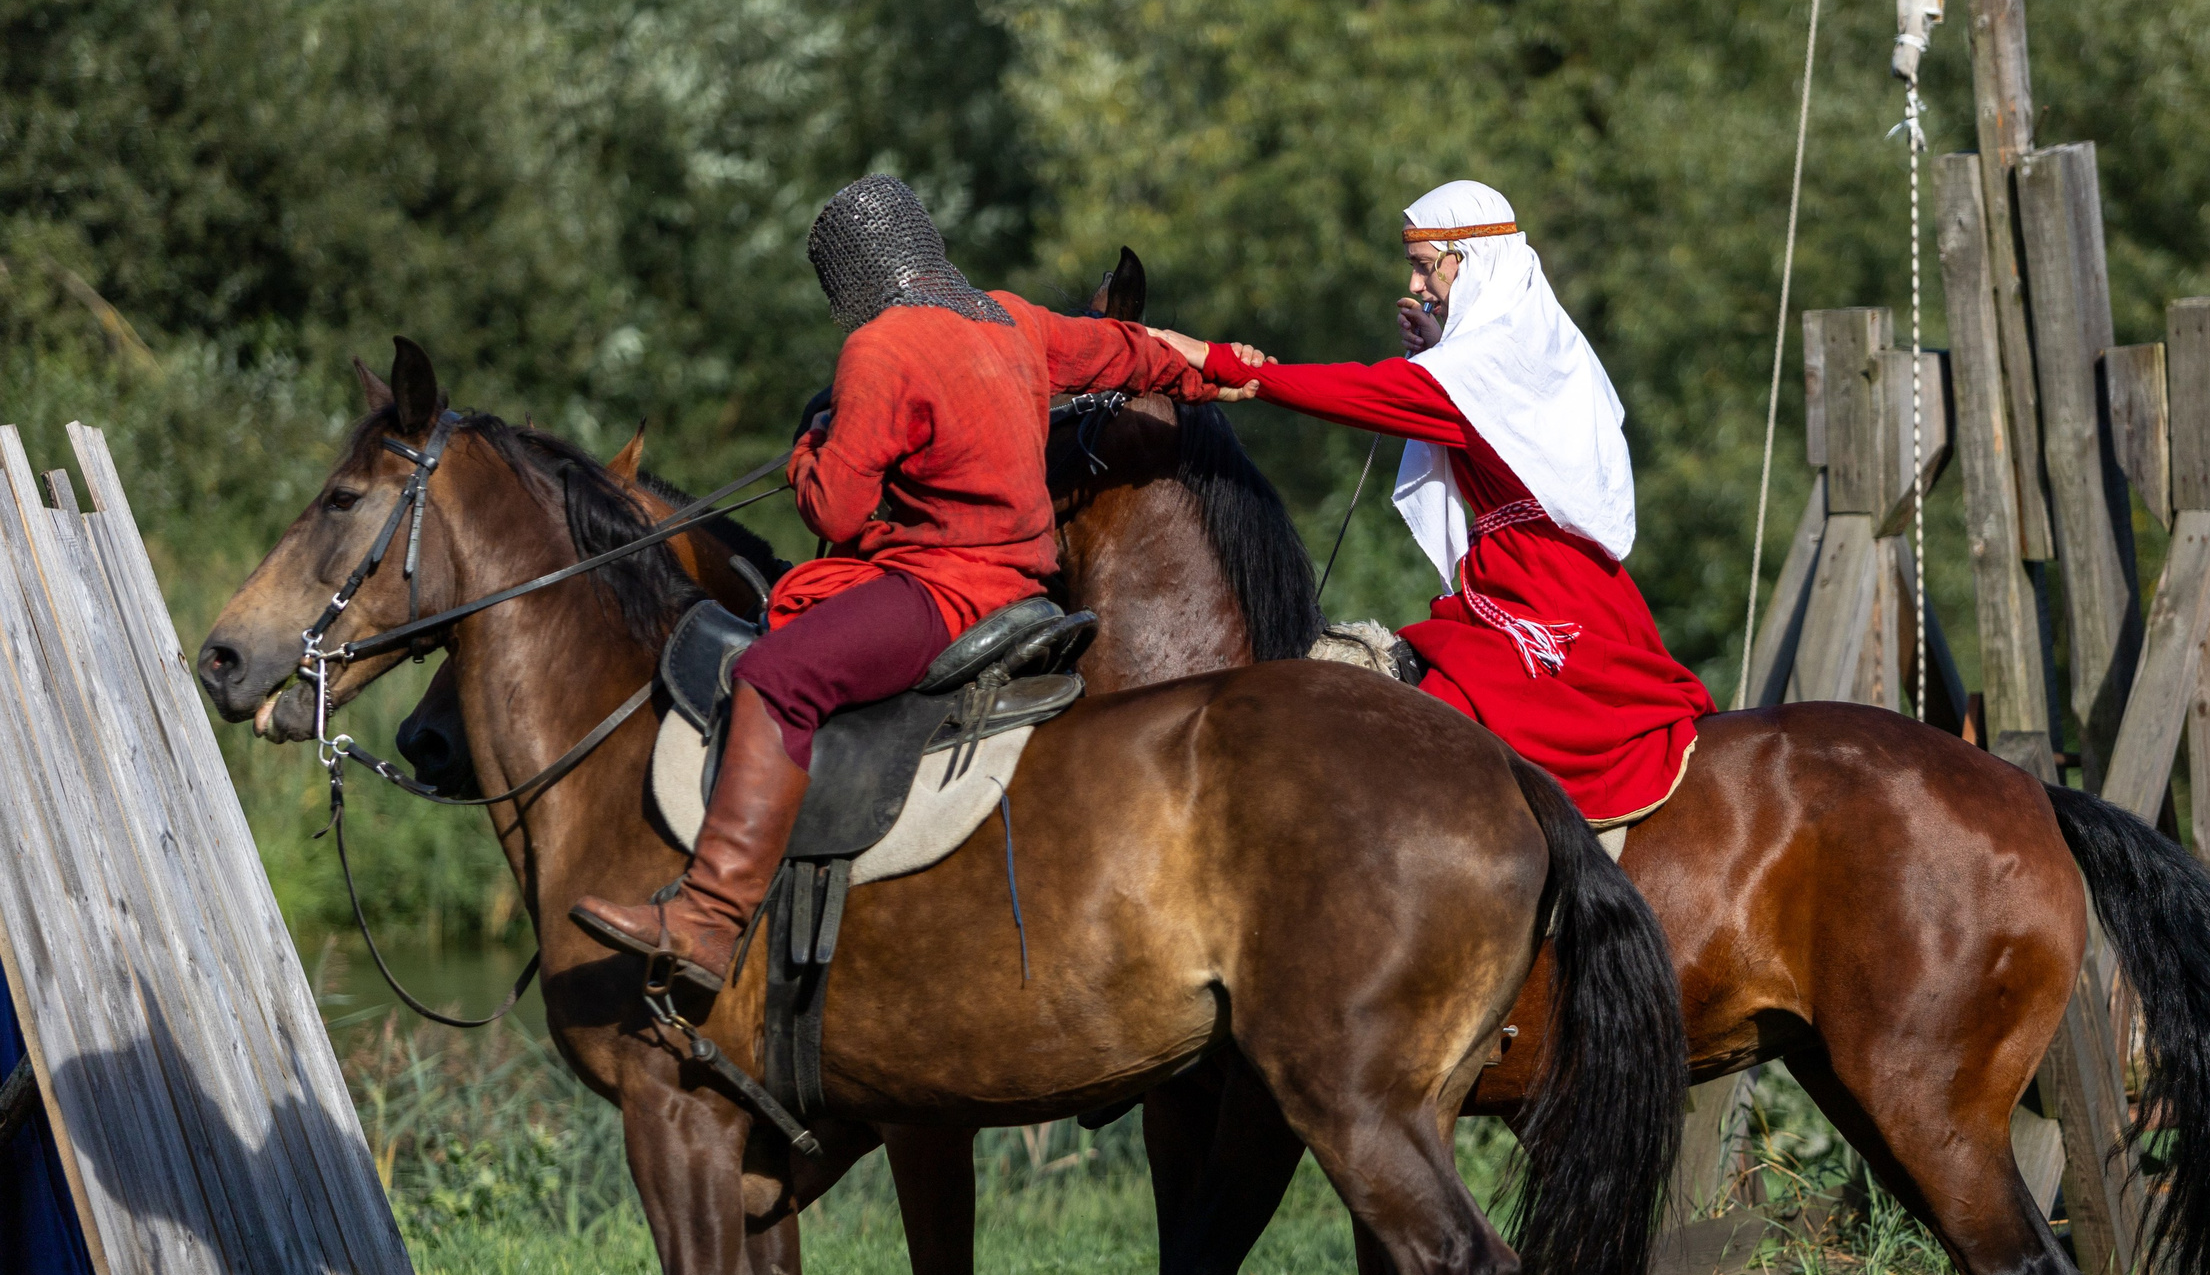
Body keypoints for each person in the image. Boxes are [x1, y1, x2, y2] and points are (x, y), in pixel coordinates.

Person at [573, 175, 1233, 994]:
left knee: (773, 674)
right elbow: (1126, 352)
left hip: (943, 591)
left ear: (852, 274)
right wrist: (1220, 370)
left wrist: (808, 450)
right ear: (924, 245)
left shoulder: (881, 347)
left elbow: (836, 510)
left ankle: (709, 917)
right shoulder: (1010, 317)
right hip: (1026, 587)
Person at [1152, 179, 1711, 824]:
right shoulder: (1534, 341)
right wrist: (1441, 351)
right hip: (1571, 584)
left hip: (1541, 599)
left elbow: (1363, 393)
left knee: (1419, 755)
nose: (1415, 285)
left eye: (1423, 267)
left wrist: (1219, 360)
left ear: (1464, 260)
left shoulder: (1484, 362)